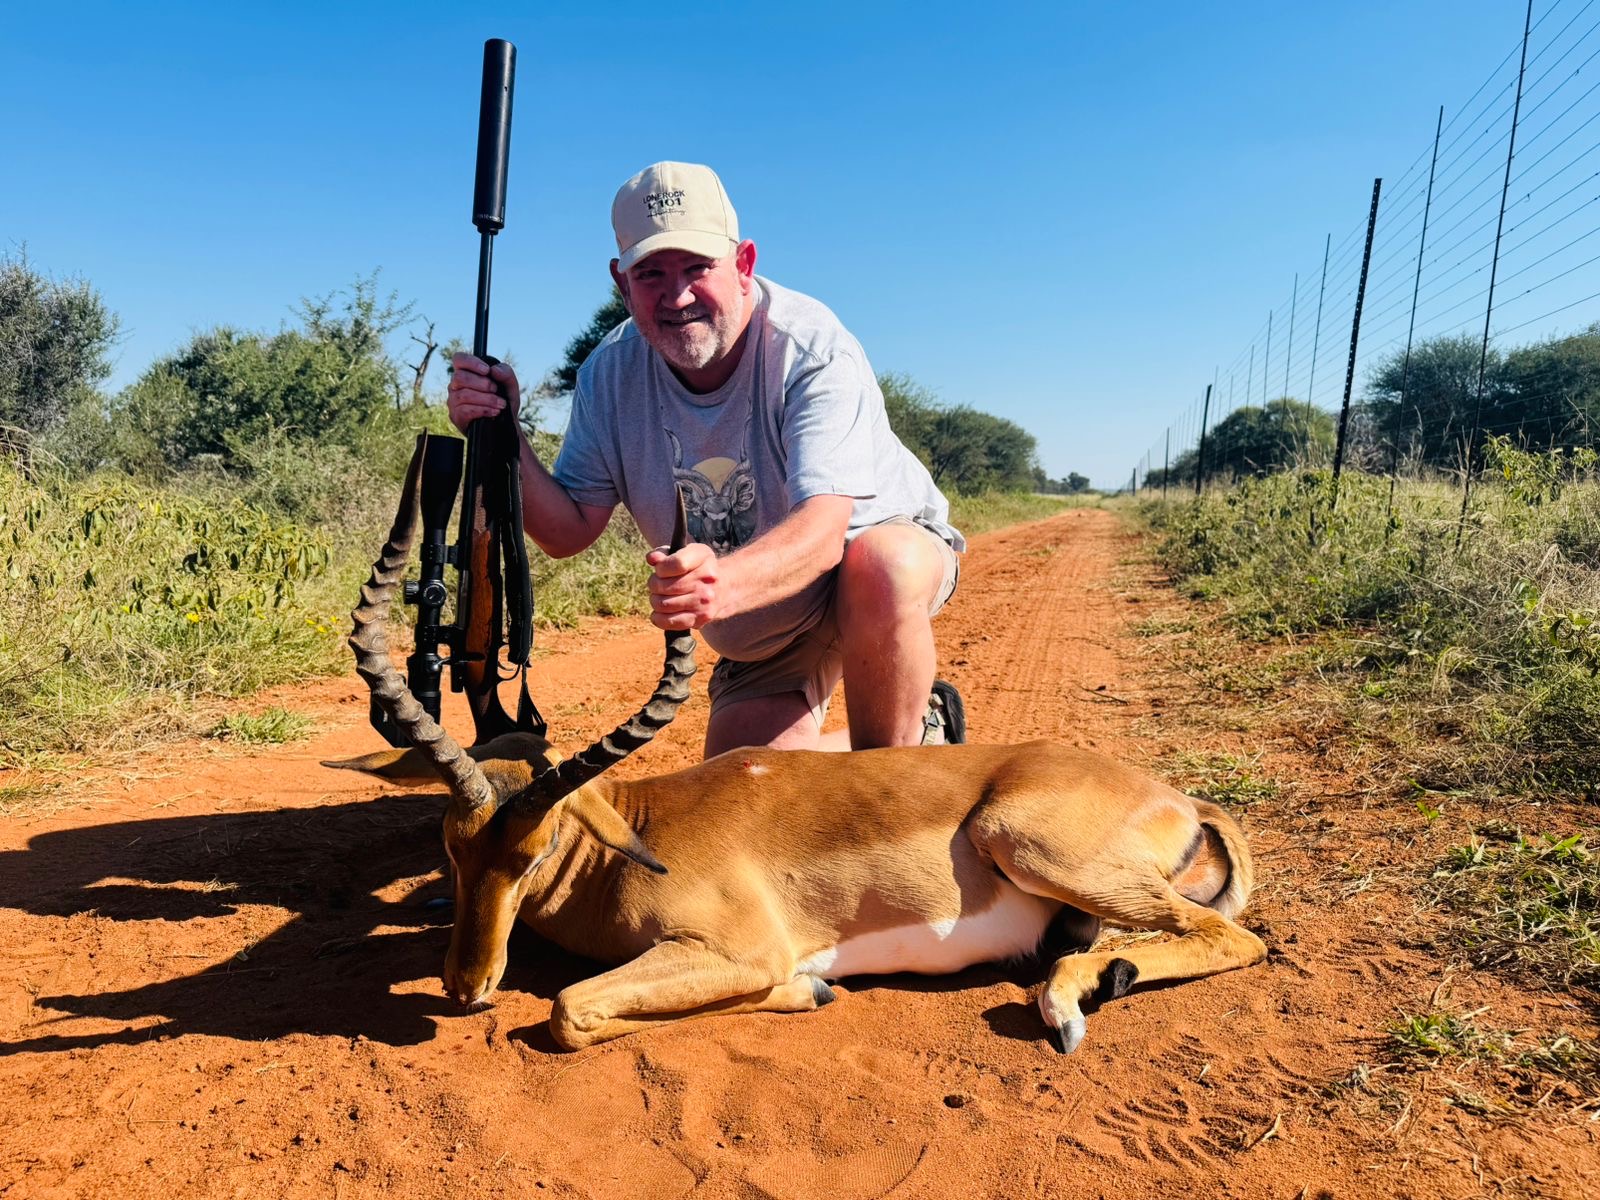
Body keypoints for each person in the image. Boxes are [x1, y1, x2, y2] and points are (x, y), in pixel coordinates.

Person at [447, 161, 966, 758]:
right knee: (743, 800)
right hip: (766, 618)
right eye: (651, 273)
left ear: (744, 265)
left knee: (882, 562)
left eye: (698, 267)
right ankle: (923, 727)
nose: (677, 295)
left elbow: (826, 534)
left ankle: (894, 768)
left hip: (862, 571)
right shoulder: (608, 376)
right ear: (621, 283)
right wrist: (503, 435)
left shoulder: (811, 348)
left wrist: (718, 581)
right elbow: (566, 531)